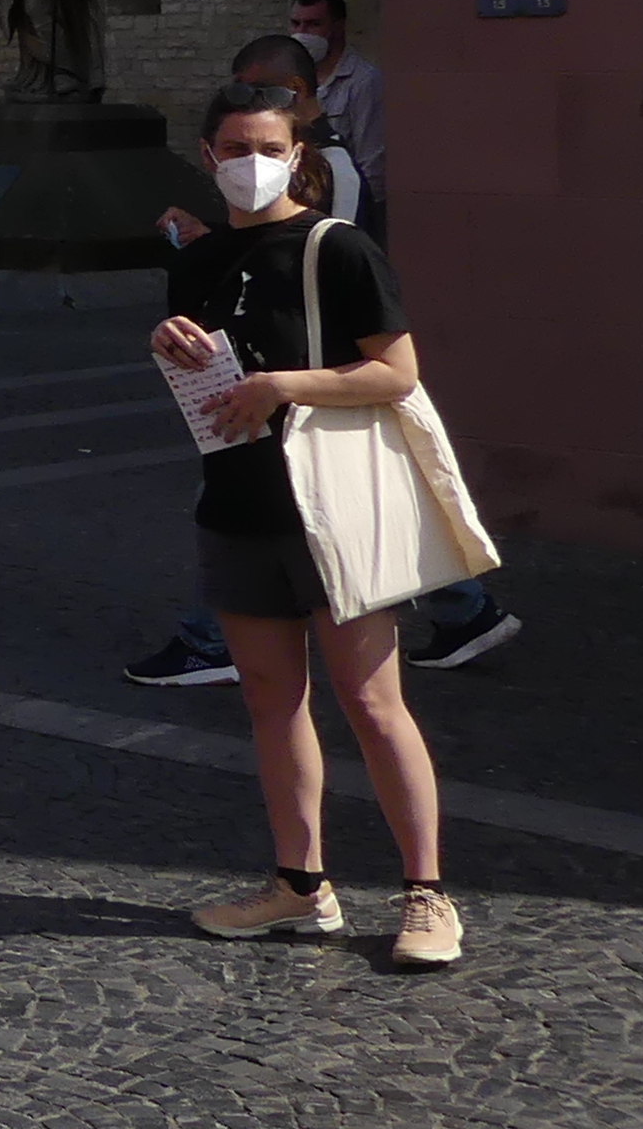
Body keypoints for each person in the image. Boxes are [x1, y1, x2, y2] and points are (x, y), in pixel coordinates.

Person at [151, 78, 461, 969]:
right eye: (234, 148)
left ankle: (428, 895)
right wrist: (169, 349)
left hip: (333, 506)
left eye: (268, 148)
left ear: (298, 157)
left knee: (371, 701)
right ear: (209, 156)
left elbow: (395, 374)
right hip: (238, 499)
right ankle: (300, 885)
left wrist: (283, 384)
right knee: (270, 699)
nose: (251, 163)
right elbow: (208, 376)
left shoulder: (338, 249)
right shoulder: (199, 260)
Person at [292, 0, 388, 242]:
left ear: (338, 26)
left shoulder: (363, 82)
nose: (302, 32)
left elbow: (372, 166)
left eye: (313, 24)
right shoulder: (291, 80)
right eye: (296, 23)